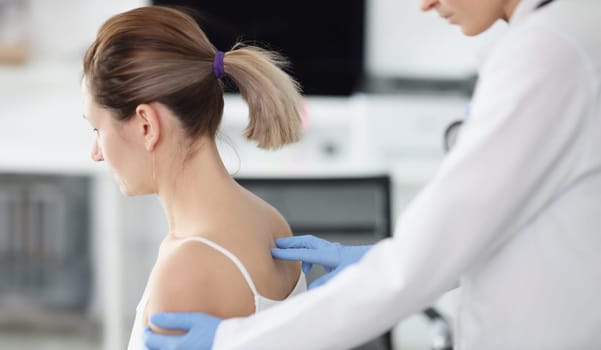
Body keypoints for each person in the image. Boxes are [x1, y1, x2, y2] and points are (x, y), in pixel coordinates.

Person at [143, 0, 601, 349]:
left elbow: (418, 265)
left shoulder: (550, 55)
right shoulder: (564, 35)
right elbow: (500, 230)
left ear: (146, 123)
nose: (424, 4)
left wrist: (235, 341)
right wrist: (382, 257)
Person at [80, 5, 308, 350]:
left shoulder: (187, 268)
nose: (96, 152)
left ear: (146, 125)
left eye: (98, 129)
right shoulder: (269, 221)